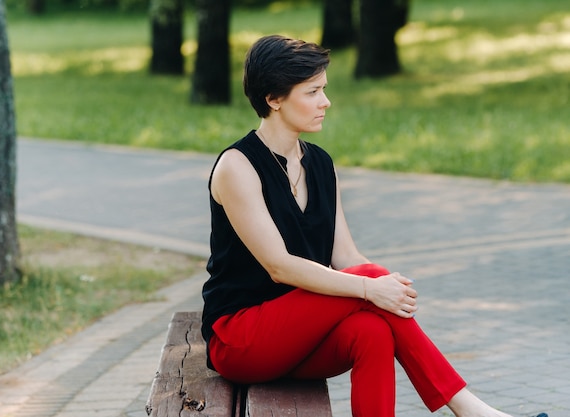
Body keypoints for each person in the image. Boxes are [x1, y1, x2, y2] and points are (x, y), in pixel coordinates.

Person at [201, 34, 547, 417]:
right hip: (241, 339)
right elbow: (279, 267)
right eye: (312, 91)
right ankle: (468, 408)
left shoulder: (319, 164)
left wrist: (386, 291)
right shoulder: (238, 166)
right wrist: (371, 285)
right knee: (370, 280)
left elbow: (346, 256)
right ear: (274, 99)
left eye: (324, 89)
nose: (326, 102)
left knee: (374, 331)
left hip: (300, 339)